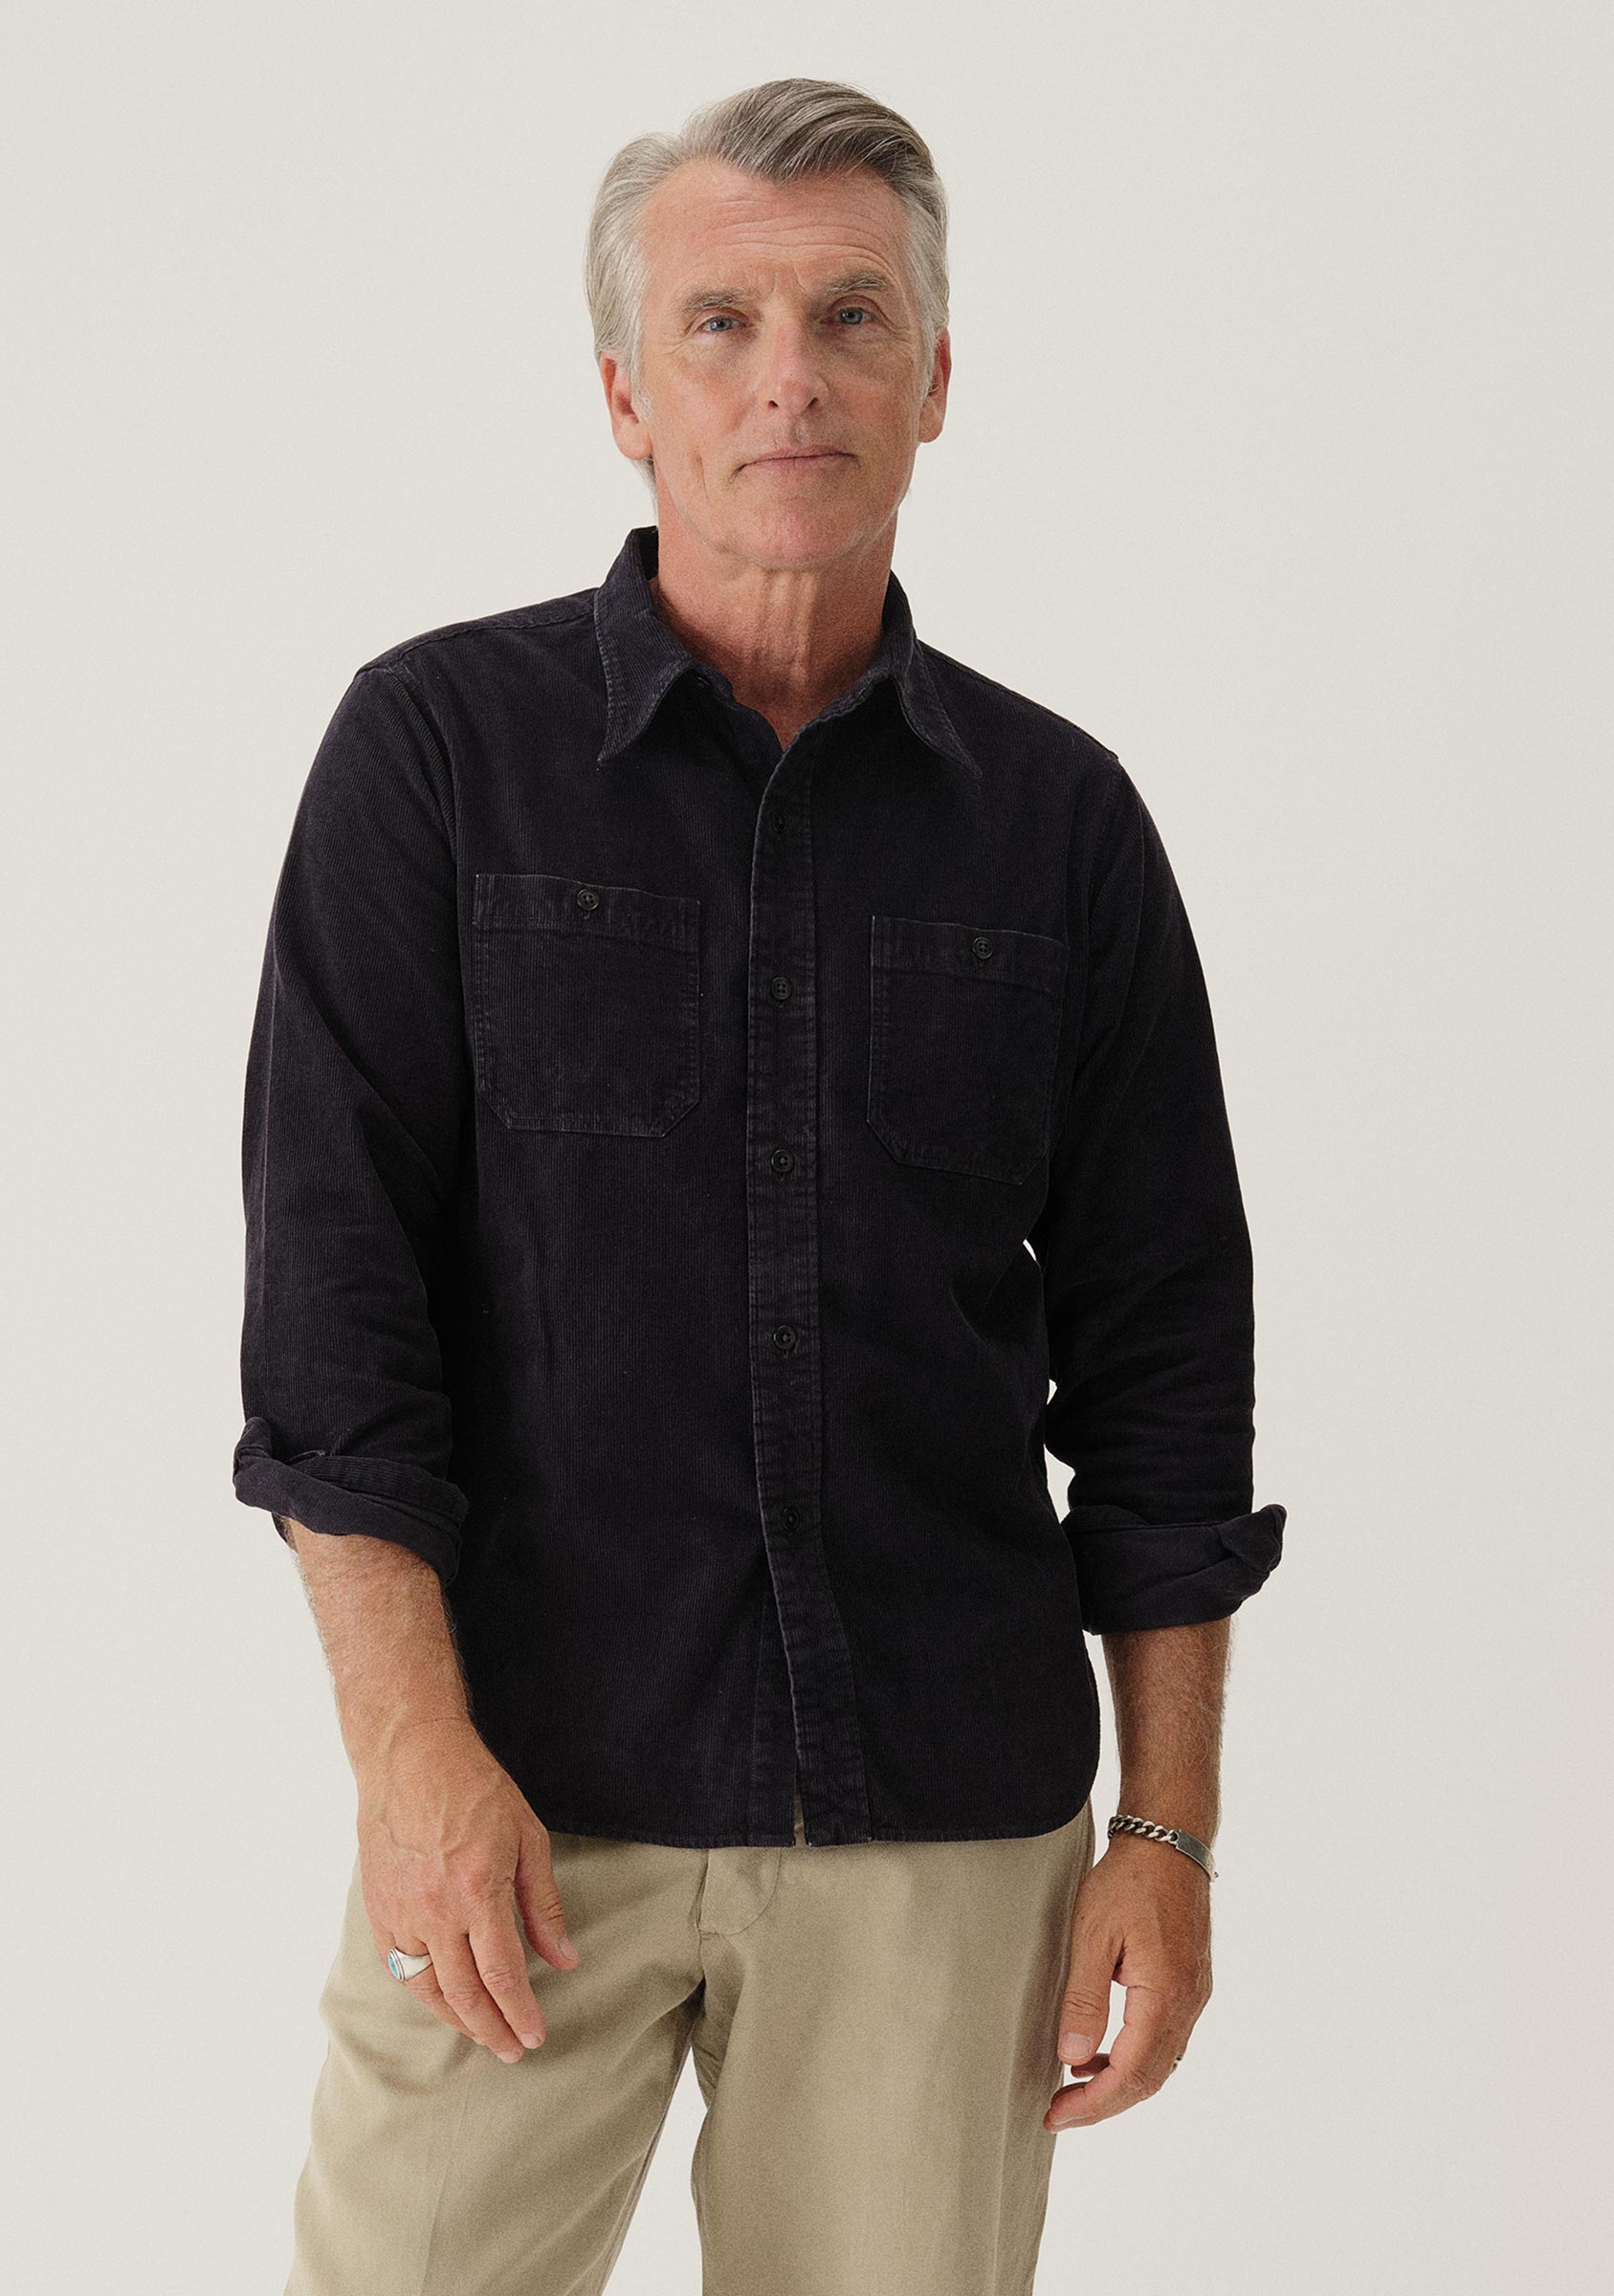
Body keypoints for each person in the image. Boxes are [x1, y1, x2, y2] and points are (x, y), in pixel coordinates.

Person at [233, 74, 1287, 2296]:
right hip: (519, 1799)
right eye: (720, 321)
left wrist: (1169, 1833)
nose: (788, 374)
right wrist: (411, 1758)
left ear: (935, 380)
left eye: (850, 316)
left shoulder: (1062, 827)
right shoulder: (436, 758)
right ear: (627, 394)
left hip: (942, 1820)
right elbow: (334, 1323)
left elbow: (1169, 1369)